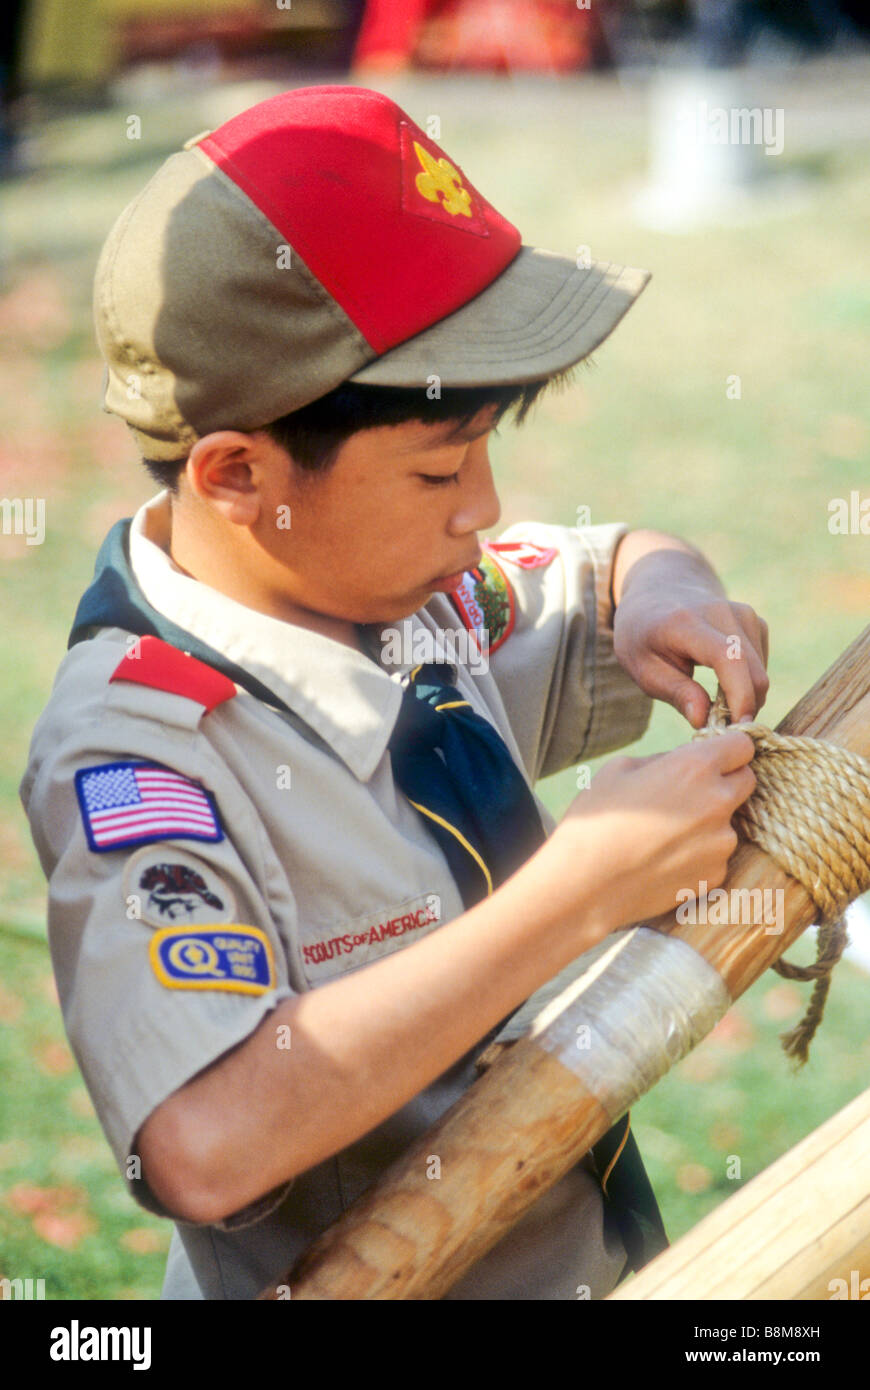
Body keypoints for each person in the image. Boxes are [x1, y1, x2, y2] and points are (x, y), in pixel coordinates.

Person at [20, 84, 764, 1301]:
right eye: (439, 468)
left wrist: (666, 594)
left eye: (485, 451)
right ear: (241, 472)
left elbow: (613, 556)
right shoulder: (144, 757)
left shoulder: (407, 592)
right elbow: (205, 1143)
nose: (483, 510)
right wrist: (574, 897)